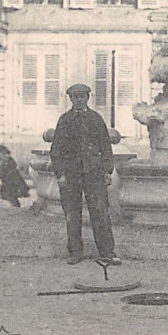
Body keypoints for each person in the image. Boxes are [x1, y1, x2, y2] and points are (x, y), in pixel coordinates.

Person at [49, 83, 121, 266]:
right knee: (72, 214)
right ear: (70, 99)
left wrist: (107, 170)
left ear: (88, 98)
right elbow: (56, 150)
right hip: (71, 175)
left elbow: (106, 147)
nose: (79, 100)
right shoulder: (64, 120)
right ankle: (75, 253)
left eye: (82, 96)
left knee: (100, 213)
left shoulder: (96, 119)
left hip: (94, 173)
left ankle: (107, 252)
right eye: (75, 97)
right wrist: (61, 174)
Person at [0, 145, 30, 209]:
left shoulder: (9, 161)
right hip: (9, 182)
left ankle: (15, 205)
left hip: (12, 182)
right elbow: (2, 171)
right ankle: (15, 204)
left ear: (2, 153)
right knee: (9, 194)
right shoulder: (6, 162)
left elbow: (7, 171)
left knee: (10, 194)